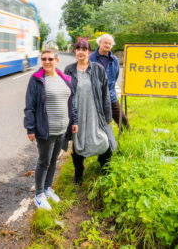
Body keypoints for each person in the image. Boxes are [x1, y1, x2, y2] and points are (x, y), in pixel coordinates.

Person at [24, 49, 78, 210]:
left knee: (53, 160)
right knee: (44, 161)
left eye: (50, 59)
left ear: (57, 60)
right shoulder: (37, 80)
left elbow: (71, 101)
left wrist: (74, 120)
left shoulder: (65, 79)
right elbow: (30, 106)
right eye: (44, 59)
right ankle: (39, 195)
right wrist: (30, 128)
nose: (47, 62)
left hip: (62, 129)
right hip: (46, 130)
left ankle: (47, 188)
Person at [65, 38, 116, 185]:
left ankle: (105, 166)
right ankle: (79, 172)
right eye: (78, 49)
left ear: (89, 52)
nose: (81, 52)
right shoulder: (69, 69)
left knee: (104, 139)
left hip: (95, 111)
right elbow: (65, 93)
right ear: (75, 51)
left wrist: (108, 115)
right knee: (78, 142)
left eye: (84, 49)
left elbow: (105, 93)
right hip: (77, 113)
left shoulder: (98, 69)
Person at [89, 34, 129, 130]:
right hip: (93, 95)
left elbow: (115, 76)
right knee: (96, 120)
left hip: (110, 95)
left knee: (121, 118)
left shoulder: (114, 60)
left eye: (110, 44)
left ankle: (126, 136)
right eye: (105, 43)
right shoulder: (90, 58)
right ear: (99, 43)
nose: (107, 45)